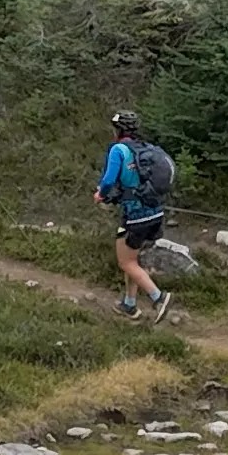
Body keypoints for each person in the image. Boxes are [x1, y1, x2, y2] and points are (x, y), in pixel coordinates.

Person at [93, 110, 170, 318]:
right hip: (155, 213)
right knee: (133, 261)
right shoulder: (146, 149)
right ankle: (129, 304)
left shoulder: (118, 149)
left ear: (118, 129)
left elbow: (109, 180)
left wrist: (101, 194)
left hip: (135, 216)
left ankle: (158, 298)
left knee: (126, 262)